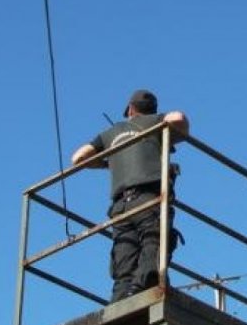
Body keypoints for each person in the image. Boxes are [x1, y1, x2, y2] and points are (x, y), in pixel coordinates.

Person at [71, 89, 190, 302]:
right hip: (149, 198)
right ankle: (141, 288)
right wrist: (161, 127)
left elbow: (78, 158)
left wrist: (109, 161)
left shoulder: (111, 133)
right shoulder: (155, 122)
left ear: (130, 111)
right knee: (154, 241)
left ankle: (119, 302)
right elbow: (179, 118)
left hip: (120, 208)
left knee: (124, 255)